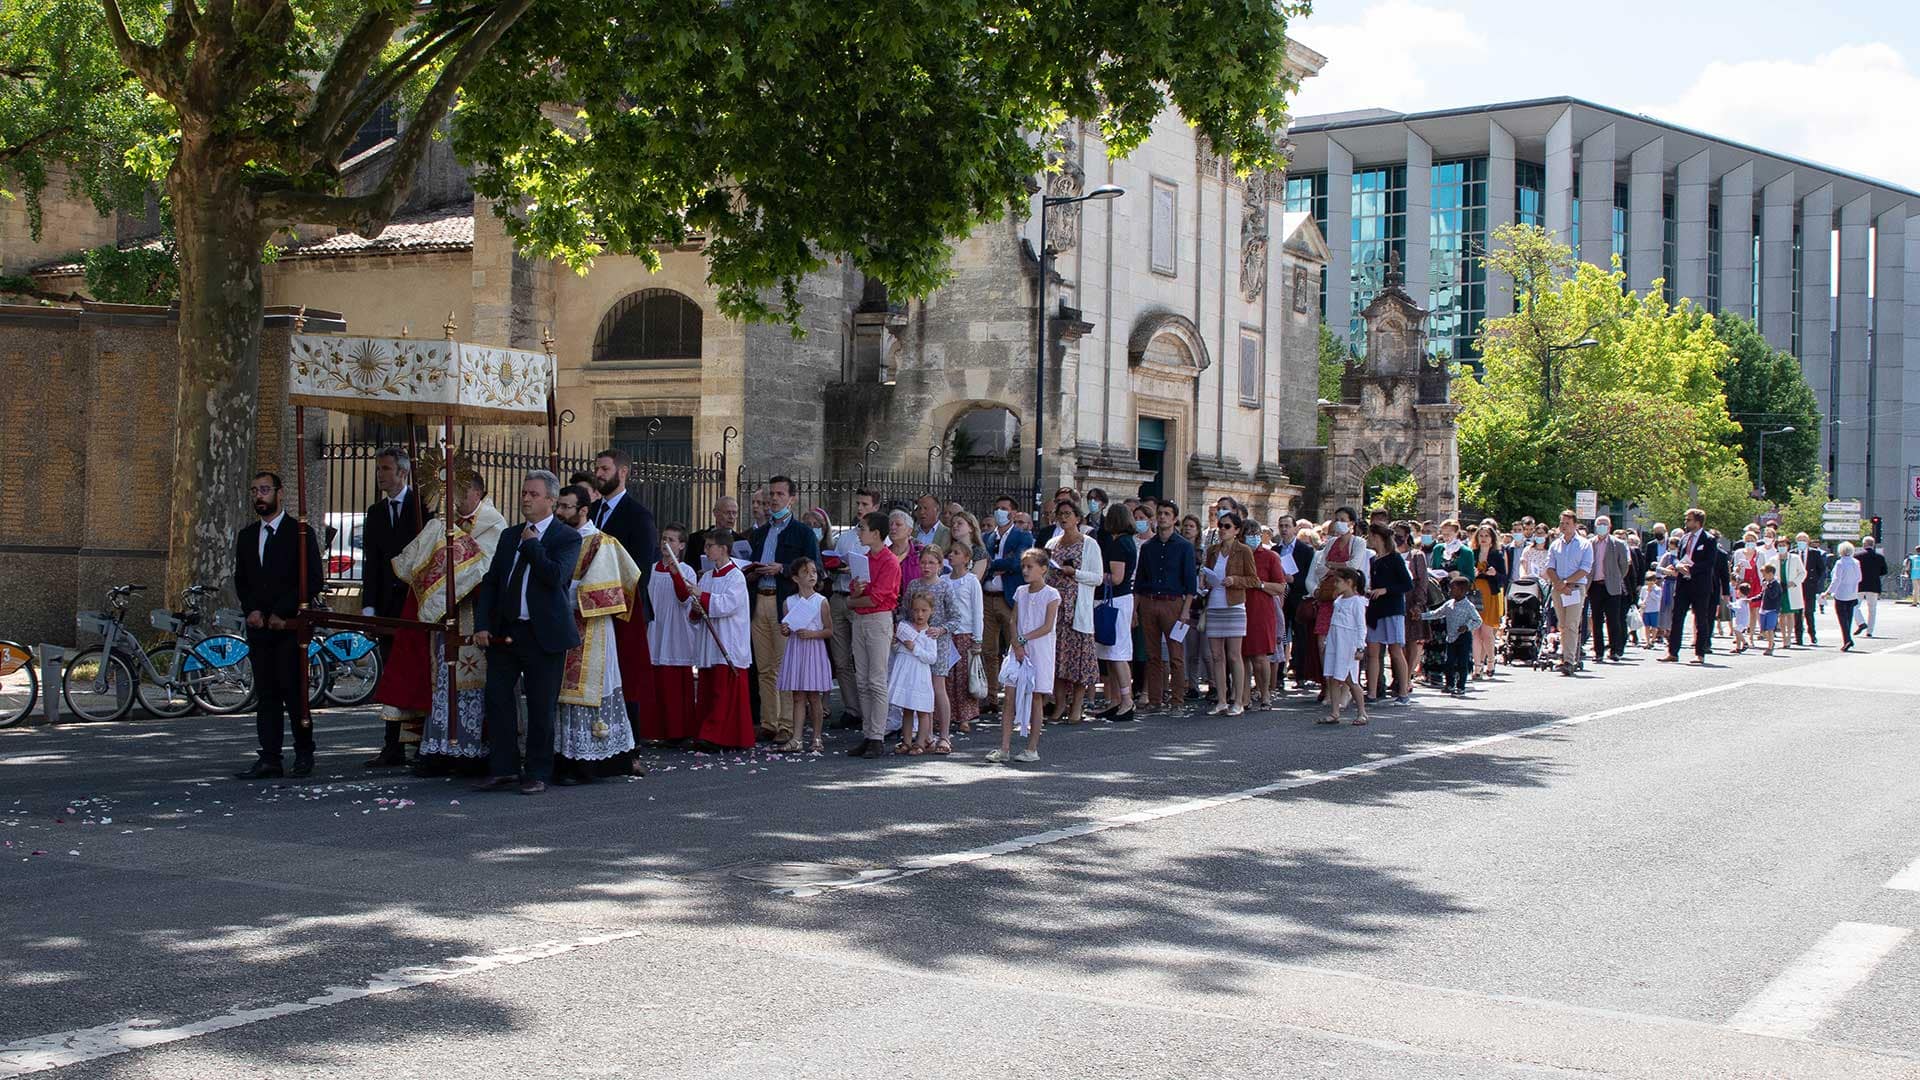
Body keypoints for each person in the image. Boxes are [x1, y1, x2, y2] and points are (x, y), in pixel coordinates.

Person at [386, 468, 506, 777]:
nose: (452, 500)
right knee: (442, 685)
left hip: (474, 617)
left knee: (470, 687)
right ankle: (438, 749)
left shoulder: (495, 524)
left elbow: (489, 567)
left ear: (477, 494)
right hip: (445, 619)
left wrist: (457, 549)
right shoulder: (444, 524)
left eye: (459, 493)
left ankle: (470, 751)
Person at [471, 471, 582, 796]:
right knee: (498, 697)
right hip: (507, 632)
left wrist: (533, 546)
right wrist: (482, 624)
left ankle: (537, 771)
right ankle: (503, 767)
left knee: (540, 705)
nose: (526, 499)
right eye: (524, 493)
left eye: (533, 494)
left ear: (550, 499)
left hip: (543, 634)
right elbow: (492, 582)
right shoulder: (509, 536)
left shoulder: (566, 537)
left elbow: (556, 577)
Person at [232, 471, 325, 779]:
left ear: (279, 493)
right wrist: (254, 609)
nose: (259, 495)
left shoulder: (299, 533)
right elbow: (242, 580)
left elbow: (311, 580)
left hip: (288, 628)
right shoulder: (247, 536)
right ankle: (269, 756)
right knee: (266, 693)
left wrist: (282, 611)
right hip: (260, 628)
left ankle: (303, 751)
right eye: (255, 490)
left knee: (294, 691)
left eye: (265, 489)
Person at [550, 484, 642, 784]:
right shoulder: (553, 537)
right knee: (561, 695)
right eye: (558, 506)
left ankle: (590, 763)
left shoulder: (601, 543)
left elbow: (610, 591)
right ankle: (565, 757)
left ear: (584, 510)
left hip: (592, 629)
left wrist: (564, 591)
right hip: (561, 624)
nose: (559, 513)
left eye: (566, 507)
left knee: (590, 693)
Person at [589, 449, 660, 775]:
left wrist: (608, 592)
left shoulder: (638, 515)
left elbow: (640, 569)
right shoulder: (590, 511)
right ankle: (597, 741)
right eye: (597, 469)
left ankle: (631, 749)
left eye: (604, 468)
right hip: (590, 610)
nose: (599, 474)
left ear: (623, 472)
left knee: (626, 677)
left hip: (625, 609)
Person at [360, 446, 429, 767]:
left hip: (416, 606)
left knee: (419, 674)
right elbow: (371, 562)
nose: (380, 475)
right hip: (388, 608)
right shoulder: (375, 513)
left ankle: (423, 743)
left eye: (386, 469)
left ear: (403, 472)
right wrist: (369, 606)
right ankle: (392, 746)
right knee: (391, 676)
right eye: (378, 469)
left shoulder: (423, 508)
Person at [745, 475, 821, 746]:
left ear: (792, 498)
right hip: (760, 599)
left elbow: (816, 570)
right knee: (764, 667)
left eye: (779, 494)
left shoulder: (803, 533)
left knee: (782, 666)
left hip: (784, 601)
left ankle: (787, 724)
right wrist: (751, 571)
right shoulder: (761, 532)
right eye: (772, 495)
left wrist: (784, 569)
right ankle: (769, 722)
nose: (774, 499)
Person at [687, 530, 754, 749]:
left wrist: (702, 597)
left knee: (723, 693)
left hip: (728, 640)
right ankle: (706, 733)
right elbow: (698, 609)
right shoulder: (706, 577)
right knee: (708, 690)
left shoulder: (736, 576)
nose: (705, 550)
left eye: (709, 546)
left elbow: (728, 605)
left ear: (723, 549)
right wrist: (696, 608)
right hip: (711, 641)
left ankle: (718, 736)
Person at [990, 550, 1059, 764]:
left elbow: (1047, 626)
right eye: (1024, 567)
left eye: (1030, 567)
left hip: (1039, 650)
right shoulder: (1020, 591)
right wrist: (1015, 642)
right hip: (1018, 649)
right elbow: (1013, 619)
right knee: (1009, 695)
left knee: (1035, 696)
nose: (1026, 571)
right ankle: (1004, 747)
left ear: (1043, 569)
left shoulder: (1052, 594)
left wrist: (1023, 638)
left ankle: (1032, 748)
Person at [845, 512, 901, 758]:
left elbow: (878, 597)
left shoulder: (889, 561)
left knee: (877, 679)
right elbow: (855, 590)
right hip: (862, 619)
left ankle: (877, 735)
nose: (859, 531)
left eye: (863, 528)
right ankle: (869, 733)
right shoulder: (864, 559)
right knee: (863, 679)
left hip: (878, 620)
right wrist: (855, 594)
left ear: (876, 533)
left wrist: (854, 599)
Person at [1043, 501, 1102, 726]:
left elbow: (1097, 577)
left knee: (1078, 661)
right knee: (1058, 660)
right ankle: (1059, 704)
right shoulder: (1052, 543)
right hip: (1056, 610)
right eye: (1061, 514)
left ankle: (1076, 705)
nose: (1064, 518)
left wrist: (1074, 572)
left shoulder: (1089, 544)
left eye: (1068, 514)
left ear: (1077, 518)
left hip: (1078, 609)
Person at [642, 523, 701, 744]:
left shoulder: (686, 570)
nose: (666, 544)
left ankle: (678, 731)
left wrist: (676, 574)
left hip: (676, 631)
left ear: (682, 545)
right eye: (664, 539)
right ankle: (652, 731)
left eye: (672, 540)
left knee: (674, 684)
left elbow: (684, 598)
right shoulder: (651, 568)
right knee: (654, 681)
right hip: (655, 629)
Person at [826, 489, 880, 728]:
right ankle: (851, 708)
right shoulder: (846, 537)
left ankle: (868, 709)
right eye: (858, 503)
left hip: (861, 601)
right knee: (840, 659)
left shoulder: (880, 539)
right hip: (839, 596)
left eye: (865, 504)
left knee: (863, 658)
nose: (860, 508)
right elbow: (832, 560)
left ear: (875, 507)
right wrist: (834, 566)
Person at [1201, 512, 1258, 716]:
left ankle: (1239, 700)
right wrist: (1206, 581)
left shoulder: (1243, 551)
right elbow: (1207, 574)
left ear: (1236, 530)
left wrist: (1235, 580)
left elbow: (1252, 579)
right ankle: (1222, 700)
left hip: (1234, 605)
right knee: (1216, 655)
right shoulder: (1212, 550)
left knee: (1234, 655)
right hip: (1215, 604)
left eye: (1226, 526)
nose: (1222, 530)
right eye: (1220, 526)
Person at [901, 545, 958, 746]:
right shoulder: (914, 585)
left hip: (937, 643)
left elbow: (955, 617)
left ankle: (944, 735)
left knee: (937, 687)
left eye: (932, 563)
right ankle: (925, 735)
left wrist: (941, 629)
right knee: (918, 687)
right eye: (923, 562)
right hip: (915, 643)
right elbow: (904, 613)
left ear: (940, 565)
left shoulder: (944, 586)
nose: (926, 566)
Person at [981, 495, 1033, 714]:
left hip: (1008, 598)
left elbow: (1016, 562)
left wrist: (993, 564)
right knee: (988, 650)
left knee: (1016, 646)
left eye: (1004, 508)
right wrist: (995, 566)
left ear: (1013, 512)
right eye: (997, 508)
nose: (1000, 512)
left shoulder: (1023, 536)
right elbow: (981, 561)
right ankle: (991, 698)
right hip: (987, 596)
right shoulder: (986, 537)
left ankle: (1019, 696)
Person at [777, 556, 834, 754]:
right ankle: (797, 738)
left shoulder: (821, 601)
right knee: (798, 696)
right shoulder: (789, 602)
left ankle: (817, 737)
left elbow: (829, 630)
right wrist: (785, 630)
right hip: (797, 649)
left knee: (814, 696)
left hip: (814, 649)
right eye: (805, 573)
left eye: (813, 572)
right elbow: (786, 629)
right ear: (795, 578)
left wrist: (813, 634)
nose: (811, 576)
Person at [1094, 503, 1138, 719]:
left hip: (1117, 600)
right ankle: (1116, 700)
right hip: (1121, 599)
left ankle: (1127, 701)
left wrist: (1094, 575)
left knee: (1117, 652)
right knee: (1110, 653)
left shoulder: (1120, 545)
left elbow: (1117, 577)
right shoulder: (1127, 542)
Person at [1659, 509, 1718, 665]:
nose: (1686, 522)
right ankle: (1673, 652)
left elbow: (1709, 563)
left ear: (1697, 522)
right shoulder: (1684, 538)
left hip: (1700, 585)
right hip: (1683, 584)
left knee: (1700, 619)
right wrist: (1678, 566)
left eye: (1688, 520)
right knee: (1677, 617)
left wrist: (1691, 569)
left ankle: (1700, 653)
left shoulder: (1709, 540)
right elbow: (1677, 558)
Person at [1363, 523, 1412, 705]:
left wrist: (1385, 590)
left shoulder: (1395, 559)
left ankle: (1403, 692)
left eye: (1370, 536)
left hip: (1392, 609)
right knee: (1373, 652)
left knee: (1395, 650)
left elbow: (1407, 584)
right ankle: (1372, 693)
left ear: (1378, 537)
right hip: (1376, 610)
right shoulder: (1374, 560)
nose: (1368, 539)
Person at [888, 592, 941, 754]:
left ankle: (920, 742)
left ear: (931, 611)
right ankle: (906, 741)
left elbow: (932, 658)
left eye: (924, 610)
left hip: (920, 676)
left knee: (922, 710)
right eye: (916, 610)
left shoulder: (930, 633)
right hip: (906, 674)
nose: (919, 614)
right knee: (908, 709)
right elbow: (899, 651)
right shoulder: (906, 629)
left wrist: (915, 648)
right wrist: (895, 644)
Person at [941, 543, 984, 739]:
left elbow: (977, 611)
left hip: (965, 633)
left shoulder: (971, 581)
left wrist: (977, 638)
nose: (951, 556)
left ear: (967, 558)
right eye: (950, 552)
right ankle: (945, 715)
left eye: (956, 553)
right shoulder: (943, 580)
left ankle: (965, 716)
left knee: (964, 677)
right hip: (947, 633)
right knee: (947, 676)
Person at [1245, 522, 1289, 708]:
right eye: (1248, 534)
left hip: (1262, 611)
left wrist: (1260, 584)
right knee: (1241, 656)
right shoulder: (1236, 555)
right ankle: (1243, 697)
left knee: (1260, 657)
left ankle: (1265, 695)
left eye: (1256, 533)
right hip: (1239, 608)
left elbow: (1280, 586)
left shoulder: (1270, 556)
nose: (1253, 537)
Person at [1543, 510, 1592, 675]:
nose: (1564, 526)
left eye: (1567, 523)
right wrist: (1558, 583)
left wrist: (1567, 582)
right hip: (1558, 588)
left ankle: (1569, 660)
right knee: (1562, 625)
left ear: (1575, 525)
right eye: (1562, 523)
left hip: (1574, 588)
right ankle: (1564, 656)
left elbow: (1585, 568)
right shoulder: (1556, 544)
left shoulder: (1584, 544)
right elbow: (1549, 566)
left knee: (1572, 624)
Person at [1318, 569, 1369, 725]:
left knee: (1350, 679)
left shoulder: (1357, 602)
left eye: (1338, 581)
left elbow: (1361, 626)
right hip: (1335, 642)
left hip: (1348, 645)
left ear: (1349, 582)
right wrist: (1328, 642)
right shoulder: (1338, 600)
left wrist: (1360, 647)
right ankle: (1334, 712)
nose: (1335, 584)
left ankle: (1362, 713)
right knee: (1332, 678)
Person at [1419, 576, 1482, 698]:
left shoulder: (1468, 606)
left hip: (1463, 638)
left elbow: (1478, 620)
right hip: (1451, 638)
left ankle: (1461, 686)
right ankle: (1449, 684)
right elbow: (1436, 613)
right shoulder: (1449, 604)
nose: (1450, 591)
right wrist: (1421, 616)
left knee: (1462, 663)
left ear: (1462, 590)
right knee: (1449, 662)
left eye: (1453, 588)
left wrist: (1467, 627)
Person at [1586, 514, 1631, 664]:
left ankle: (1615, 650)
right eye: (1599, 524)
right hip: (1594, 586)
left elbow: (1624, 566)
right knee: (1596, 620)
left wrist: (1615, 578)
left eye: (1604, 524)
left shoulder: (1618, 544)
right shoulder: (1589, 543)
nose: (1601, 526)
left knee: (1614, 620)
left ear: (1610, 527)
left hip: (1611, 586)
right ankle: (1598, 651)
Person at [1468, 523, 1508, 678]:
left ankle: (1490, 661)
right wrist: (1472, 573)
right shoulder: (1472, 553)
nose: (1483, 538)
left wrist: (1495, 574)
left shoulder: (1496, 555)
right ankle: (1477, 666)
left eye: (1486, 536)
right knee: (1475, 632)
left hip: (1490, 594)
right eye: (1481, 535)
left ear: (1492, 539)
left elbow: (1504, 578)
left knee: (1487, 631)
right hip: (1474, 593)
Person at [1824, 540, 1863, 651]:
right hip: (1852, 593)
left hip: (1841, 594)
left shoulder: (1840, 563)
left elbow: (1836, 579)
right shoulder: (1856, 562)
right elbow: (1859, 578)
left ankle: (1847, 640)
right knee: (1849, 618)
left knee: (1842, 619)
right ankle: (1848, 638)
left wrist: (1828, 592)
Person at [1795, 534, 1827, 645]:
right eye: (1799, 540)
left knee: (1809, 611)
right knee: (1797, 612)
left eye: (1803, 540)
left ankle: (1812, 635)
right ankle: (1798, 637)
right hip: (1796, 586)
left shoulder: (1815, 553)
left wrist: (1815, 581)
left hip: (1810, 586)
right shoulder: (1793, 553)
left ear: (1808, 541)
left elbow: (1821, 569)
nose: (1801, 542)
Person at [1854, 536, 1887, 638]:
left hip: (1860, 584)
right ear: (1873, 545)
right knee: (1872, 609)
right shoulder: (1880, 557)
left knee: (1855, 606)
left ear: (1864, 544)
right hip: (1874, 585)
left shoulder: (1857, 556)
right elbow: (1884, 571)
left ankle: (1861, 622)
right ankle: (1870, 631)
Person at [1758, 563, 1784, 654]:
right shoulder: (1766, 583)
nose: (1763, 577)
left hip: (1772, 609)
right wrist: (1751, 599)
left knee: (1770, 629)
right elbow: (1762, 595)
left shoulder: (1776, 585)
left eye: (1765, 574)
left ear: (1770, 574)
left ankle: (1770, 646)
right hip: (1764, 609)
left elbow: (1773, 595)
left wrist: (1767, 588)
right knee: (1763, 630)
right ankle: (1771, 642)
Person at [1638, 571, 1664, 650]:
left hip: (1654, 610)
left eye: (1651, 580)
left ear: (1655, 581)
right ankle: (1647, 641)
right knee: (1646, 626)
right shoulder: (1643, 588)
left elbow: (1658, 598)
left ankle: (1653, 640)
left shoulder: (1658, 589)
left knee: (1654, 626)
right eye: (1648, 580)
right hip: (1646, 610)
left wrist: (1651, 592)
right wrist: (1640, 603)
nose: (1649, 582)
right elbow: (1641, 598)